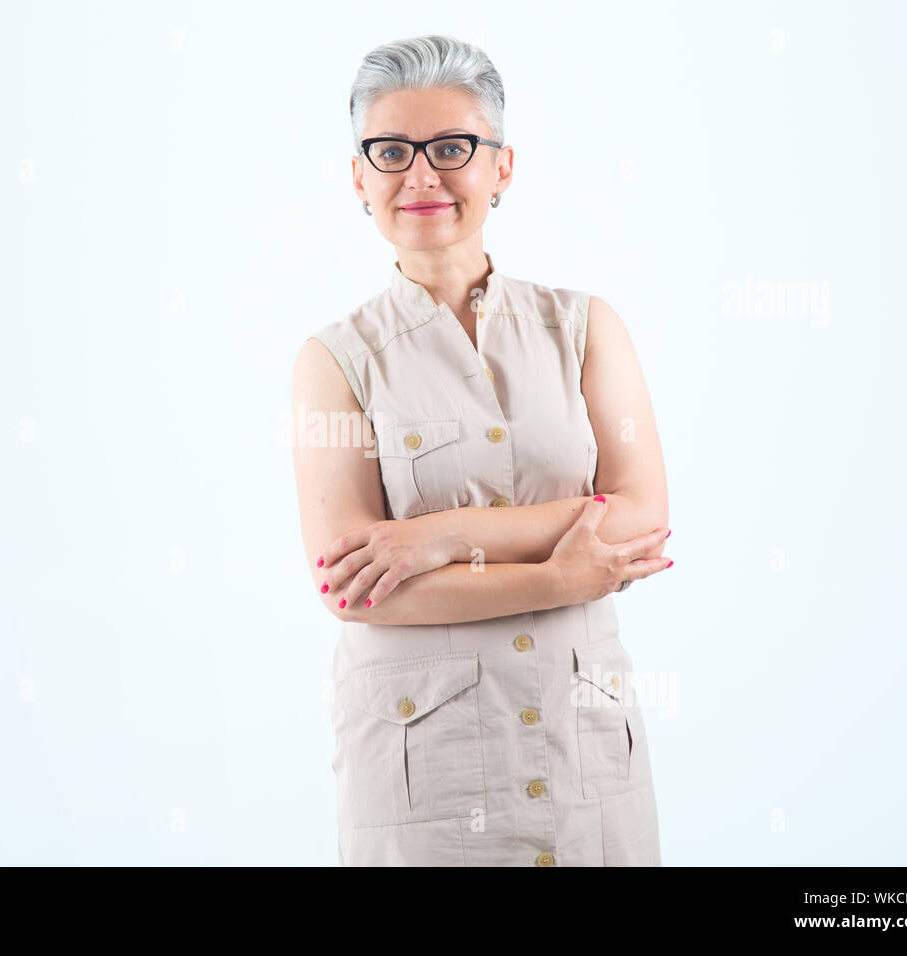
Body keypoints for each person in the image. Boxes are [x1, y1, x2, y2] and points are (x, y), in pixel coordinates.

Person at [291, 34, 674, 866]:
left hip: (588, 752)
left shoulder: (582, 327)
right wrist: (555, 577)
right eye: (391, 152)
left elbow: (640, 515)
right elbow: (354, 587)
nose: (421, 175)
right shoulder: (336, 361)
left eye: (452, 148)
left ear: (501, 167)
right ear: (359, 177)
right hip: (427, 767)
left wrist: (437, 536)